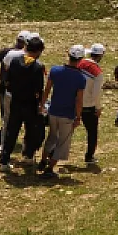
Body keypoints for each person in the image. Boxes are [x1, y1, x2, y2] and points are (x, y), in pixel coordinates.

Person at [38, 45, 86, 178]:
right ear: (80, 59)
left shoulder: (55, 70)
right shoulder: (80, 78)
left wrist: (42, 105)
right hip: (67, 114)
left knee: (51, 137)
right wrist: (78, 117)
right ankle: (50, 168)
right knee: (62, 142)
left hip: (53, 111)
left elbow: (47, 90)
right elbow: (79, 100)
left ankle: (42, 160)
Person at [0, 36, 46, 173]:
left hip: (16, 101)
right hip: (30, 103)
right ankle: (28, 155)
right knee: (31, 130)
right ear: (38, 51)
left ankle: (4, 160)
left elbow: (7, 81)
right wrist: (40, 104)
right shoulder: (37, 67)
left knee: (11, 131)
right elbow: (39, 89)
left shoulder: (14, 61)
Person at [0, 30, 30, 150]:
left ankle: (3, 137)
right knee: (11, 116)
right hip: (14, 90)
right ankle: (4, 139)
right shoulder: (25, 56)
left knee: (6, 116)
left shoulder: (6, 52)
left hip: (4, 89)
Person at [73, 43, 106, 165]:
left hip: (74, 102)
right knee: (92, 133)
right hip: (88, 105)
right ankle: (89, 156)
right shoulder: (97, 72)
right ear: (101, 56)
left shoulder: (79, 64)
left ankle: (53, 152)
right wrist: (98, 107)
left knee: (67, 130)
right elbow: (96, 93)